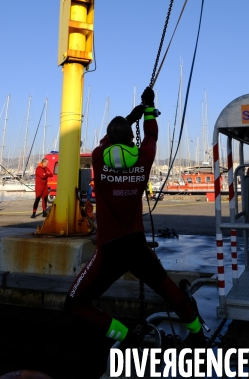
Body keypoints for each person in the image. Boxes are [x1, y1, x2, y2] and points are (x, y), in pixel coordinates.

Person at [65, 86, 205, 348]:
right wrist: (148, 108)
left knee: (75, 304)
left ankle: (127, 338)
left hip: (109, 251)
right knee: (170, 292)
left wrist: (130, 118)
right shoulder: (143, 158)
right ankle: (198, 334)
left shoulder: (97, 159)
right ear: (132, 139)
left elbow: (106, 143)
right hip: (136, 245)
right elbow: (151, 135)